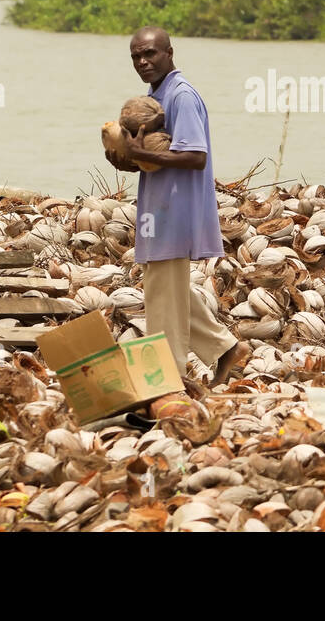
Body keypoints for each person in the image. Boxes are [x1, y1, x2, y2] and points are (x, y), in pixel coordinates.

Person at [104, 26, 250, 391]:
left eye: (150, 53)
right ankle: (226, 348)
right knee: (166, 289)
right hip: (158, 210)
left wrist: (140, 153)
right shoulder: (154, 98)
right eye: (136, 56)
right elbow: (157, 156)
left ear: (169, 53)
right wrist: (127, 159)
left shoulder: (182, 96)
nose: (142, 61)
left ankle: (169, 381)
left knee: (162, 300)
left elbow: (195, 156)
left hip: (176, 210)